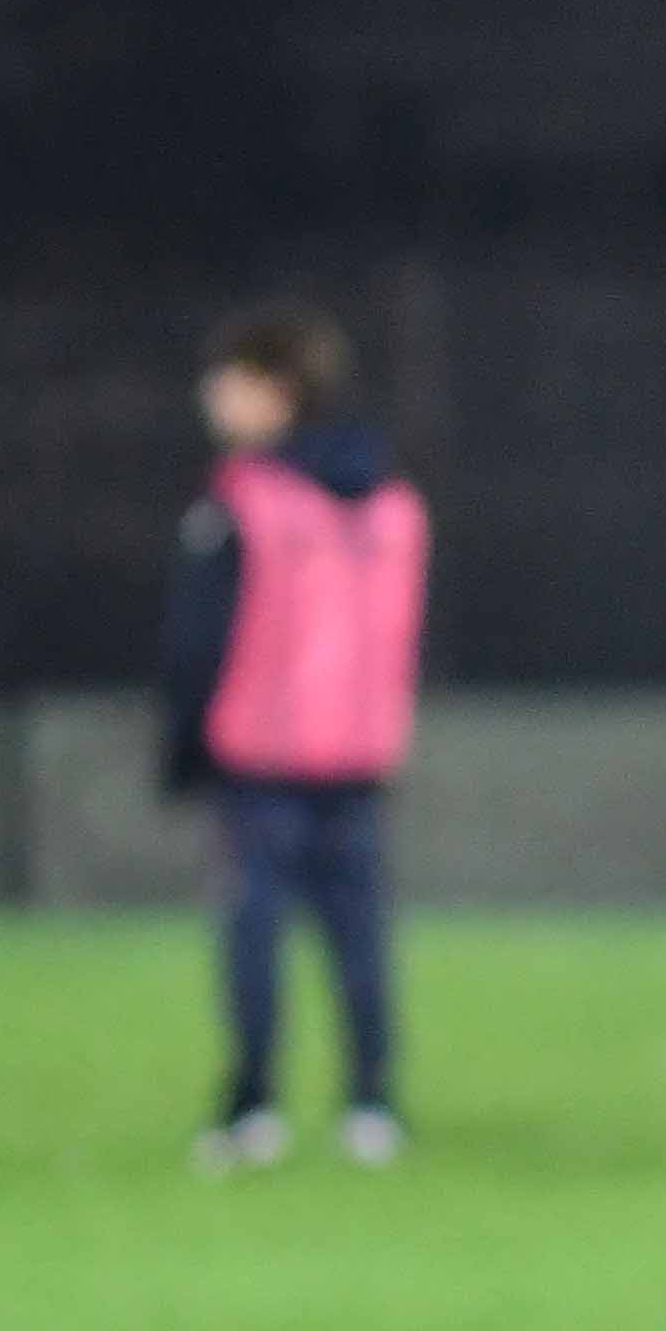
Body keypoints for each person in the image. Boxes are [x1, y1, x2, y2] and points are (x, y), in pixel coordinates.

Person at [158, 300, 425, 1172]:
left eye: (229, 382)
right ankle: (373, 1104)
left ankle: (252, 1107)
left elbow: (202, 637)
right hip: (359, 753)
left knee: (254, 928)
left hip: (264, 755)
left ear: (274, 393)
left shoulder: (247, 500)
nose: (213, 398)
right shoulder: (390, 502)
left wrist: (186, 743)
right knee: (360, 932)